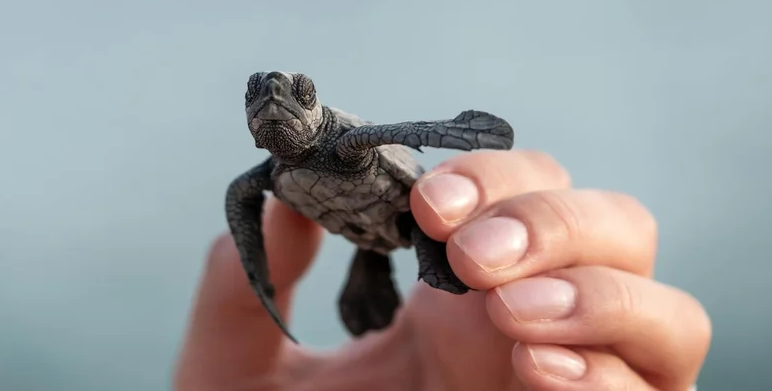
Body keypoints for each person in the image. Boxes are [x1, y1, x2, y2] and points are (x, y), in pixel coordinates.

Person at [174, 150, 711, 390]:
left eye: (296, 97)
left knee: (440, 219)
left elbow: (410, 141)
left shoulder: (345, 143)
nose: (272, 107)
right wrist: (258, 286)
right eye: (256, 98)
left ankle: (452, 256)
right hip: (365, 238)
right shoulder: (256, 182)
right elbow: (248, 235)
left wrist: (459, 141)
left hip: (408, 217)